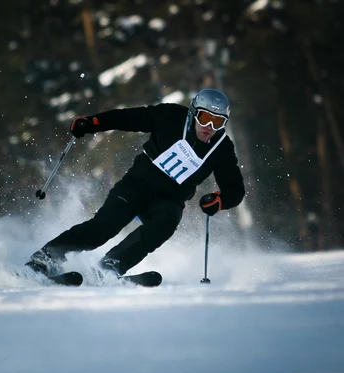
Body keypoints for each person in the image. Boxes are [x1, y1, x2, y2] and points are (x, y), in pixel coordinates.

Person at [26, 88, 245, 277]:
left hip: (170, 199)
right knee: (103, 228)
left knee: (165, 224)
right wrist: (94, 122)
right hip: (137, 185)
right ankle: (47, 256)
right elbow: (129, 118)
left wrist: (219, 201)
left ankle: (112, 265)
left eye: (217, 121)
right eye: (204, 117)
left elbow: (235, 190)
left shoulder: (222, 148)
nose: (208, 126)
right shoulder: (169, 116)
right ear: (193, 113)